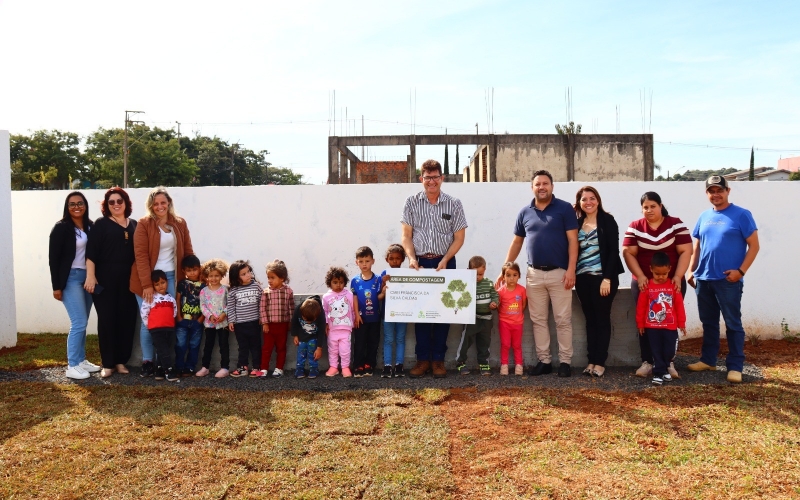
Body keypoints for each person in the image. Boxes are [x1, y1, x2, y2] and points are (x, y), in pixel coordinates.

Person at [500, 170, 578, 377]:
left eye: (545, 183)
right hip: (533, 275)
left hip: (560, 274)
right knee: (538, 320)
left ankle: (565, 362)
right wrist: (506, 267)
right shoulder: (525, 212)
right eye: (538, 184)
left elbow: (573, 241)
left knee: (563, 319)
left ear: (552, 186)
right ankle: (544, 361)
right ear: (532, 187)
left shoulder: (565, 209)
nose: (541, 187)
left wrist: (571, 270)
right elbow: (517, 241)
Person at [687, 176, 759, 384]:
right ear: (707, 193)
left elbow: (754, 246)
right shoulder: (704, 216)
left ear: (728, 191)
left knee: (733, 323)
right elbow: (697, 246)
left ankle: (735, 366)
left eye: (720, 190)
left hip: (728, 281)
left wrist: (741, 271)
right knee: (708, 322)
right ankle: (708, 360)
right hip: (704, 279)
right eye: (711, 191)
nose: (715, 194)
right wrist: (692, 271)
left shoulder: (742, 215)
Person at [401, 159, 468, 378]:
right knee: (420, 314)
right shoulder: (411, 203)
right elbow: (406, 236)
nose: (432, 181)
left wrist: (446, 259)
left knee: (443, 312)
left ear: (442, 178)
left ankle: (438, 360)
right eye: (427, 177)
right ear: (421, 179)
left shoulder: (454, 203)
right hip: (420, 264)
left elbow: (459, 238)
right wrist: (411, 259)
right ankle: (422, 360)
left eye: (435, 177)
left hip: (445, 263)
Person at [622, 191, 692, 379]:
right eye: (645, 207)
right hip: (644, 284)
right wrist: (640, 275)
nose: (649, 210)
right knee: (646, 322)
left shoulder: (675, 224)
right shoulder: (636, 226)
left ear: (661, 206)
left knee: (669, 321)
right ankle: (648, 361)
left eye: (653, 206)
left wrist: (678, 276)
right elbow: (628, 252)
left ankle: (668, 362)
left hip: (672, 284)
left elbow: (686, 250)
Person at [131, 187, 195, 377]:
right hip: (148, 279)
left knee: (168, 320)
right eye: (156, 203)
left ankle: (163, 363)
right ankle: (148, 361)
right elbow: (141, 256)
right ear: (151, 205)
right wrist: (147, 285)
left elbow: (188, 252)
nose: (160, 206)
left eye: (163, 202)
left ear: (169, 203)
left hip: (172, 277)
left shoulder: (179, 223)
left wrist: (192, 278)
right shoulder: (144, 224)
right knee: (148, 321)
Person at [85, 187, 138, 379]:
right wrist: (90, 276)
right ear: (106, 205)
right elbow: (91, 253)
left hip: (128, 282)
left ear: (126, 203)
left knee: (127, 319)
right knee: (107, 320)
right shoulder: (101, 224)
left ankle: (120, 361)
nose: (116, 204)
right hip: (104, 280)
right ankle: (107, 363)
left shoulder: (134, 225)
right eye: (111, 202)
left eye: (119, 201)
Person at [574, 186, 625, 378]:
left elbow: (613, 251)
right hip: (582, 279)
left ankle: (600, 362)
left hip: (603, 279)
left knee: (602, 319)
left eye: (592, 198)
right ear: (579, 202)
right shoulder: (577, 223)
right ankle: (591, 360)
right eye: (584, 199)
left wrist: (607, 278)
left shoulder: (607, 220)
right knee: (590, 320)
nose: (588, 202)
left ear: (598, 200)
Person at [49, 191, 99, 380]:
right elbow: (53, 259)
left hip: (89, 278)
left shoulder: (91, 226)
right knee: (78, 322)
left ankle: (81, 360)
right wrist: (56, 286)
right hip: (70, 278)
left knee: (83, 321)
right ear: (67, 207)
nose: (76, 207)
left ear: (85, 205)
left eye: (80, 203)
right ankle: (72, 365)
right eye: (72, 204)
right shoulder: (61, 228)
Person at [636, 252, 686, 386]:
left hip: (670, 327)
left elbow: (679, 306)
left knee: (669, 350)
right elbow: (641, 307)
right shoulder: (647, 287)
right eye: (657, 274)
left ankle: (664, 369)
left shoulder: (673, 286)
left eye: (664, 274)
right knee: (655, 350)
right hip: (652, 327)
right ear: (651, 269)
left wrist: (681, 323)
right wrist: (640, 323)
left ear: (670, 269)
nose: (661, 277)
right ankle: (658, 373)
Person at [455, 256, 498, 376]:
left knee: (484, 342)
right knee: (466, 340)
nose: (478, 277)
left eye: (480, 274)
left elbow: (495, 295)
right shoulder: (466, 284)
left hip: (487, 318)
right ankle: (461, 362)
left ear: (484, 271)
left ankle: (483, 363)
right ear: (469, 270)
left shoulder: (488, 283)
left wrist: (495, 303)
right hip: (471, 318)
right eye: (475, 274)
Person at [139, 270, 179, 382]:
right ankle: (169, 370)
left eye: (163, 282)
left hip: (169, 328)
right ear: (153, 286)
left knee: (166, 348)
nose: (160, 286)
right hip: (156, 329)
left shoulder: (171, 298)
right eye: (157, 284)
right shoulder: (150, 298)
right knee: (163, 349)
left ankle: (159, 370)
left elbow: (174, 311)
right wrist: (149, 326)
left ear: (167, 282)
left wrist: (170, 321)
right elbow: (144, 312)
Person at [227, 260, 264, 378]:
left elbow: (262, 303)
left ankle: (256, 367)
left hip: (254, 323)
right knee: (243, 347)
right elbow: (231, 307)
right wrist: (231, 321)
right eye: (243, 274)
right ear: (236, 277)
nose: (248, 275)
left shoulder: (256, 286)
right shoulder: (233, 291)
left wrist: (262, 317)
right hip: (240, 324)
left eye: (248, 272)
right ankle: (243, 367)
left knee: (256, 346)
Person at [351, 246, 382, 378]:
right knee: (359, 342)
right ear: (356, 262)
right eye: (361, 261)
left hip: (375, 318)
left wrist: (384, 292)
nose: (364, 264)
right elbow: (354, 298)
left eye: (367, 261)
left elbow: (379, 297)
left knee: (373, 342)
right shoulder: (355, 281)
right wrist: (357, 314)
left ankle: (370, 364)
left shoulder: (378, 279)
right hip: (361, 319)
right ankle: (358, 365)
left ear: (373, 261)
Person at [259, 260, 294, 378]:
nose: (269, 280)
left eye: (272, 277)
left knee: (281, 348)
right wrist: (265, 323)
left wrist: (290, 322)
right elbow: (262, 309)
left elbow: (291, 308)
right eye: (268, 277)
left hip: (282, 326)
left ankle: (279, 368)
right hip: (269, 326)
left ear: (282, 278)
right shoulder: (266, 292)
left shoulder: (288, 291)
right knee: (266, 348)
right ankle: (263, 368)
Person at [197, 259, 230, 378]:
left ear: (221, 275)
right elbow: (203, 305)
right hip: (209, 323)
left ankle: (225, 367)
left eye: (217, 275)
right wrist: (209, 316)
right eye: (211, 276)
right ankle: (205, 367)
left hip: (223, 323)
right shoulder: (203, 291)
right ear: (206, 276)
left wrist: (223, 314)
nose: (214, 278)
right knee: (208, 345)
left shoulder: (225, 289)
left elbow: (229, 304)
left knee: (223, 345)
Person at [378, 244, 407, 378]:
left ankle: (399, 365)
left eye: (397, 258)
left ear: (403, 259)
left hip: (403, 312)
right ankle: (387, 365)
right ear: (387, 260)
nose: (395, 261)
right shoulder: (383, 275)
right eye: (391, 259)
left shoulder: (407, 274)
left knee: (400, 339)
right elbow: (379, 296)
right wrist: (383, 285)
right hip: (387, 313)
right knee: (388, 339)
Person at [322, 266, 357, 378]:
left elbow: (352, 308)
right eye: (335, 282)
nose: (338, 285)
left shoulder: (349, 295)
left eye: (341, 282)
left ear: (345, 282)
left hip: (346, 329)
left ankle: (345, 367)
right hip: (332, 329)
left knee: (345, 350)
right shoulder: (326, 297)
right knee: (332, 349)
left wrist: (355, 319)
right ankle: (333, 367)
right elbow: (325, 311)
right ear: (329, 283)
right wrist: (326, 324)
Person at [174, 255, 205, 377]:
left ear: (200, 269)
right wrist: (179, 317)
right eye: (189, 270)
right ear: (184, 271)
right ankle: (179, 367)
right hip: (183, 321)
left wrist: (201, 319)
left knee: (194, 345)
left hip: (197, 321)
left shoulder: (203, 285)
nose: (192, 273)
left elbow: (206, 302)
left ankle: (190, 367)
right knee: (180, 344)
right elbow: (178, 299)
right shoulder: (182, 284)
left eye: (195, 269)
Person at [495, 262, 527, 376]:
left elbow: (523, 305)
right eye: (508, 275)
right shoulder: (500, 292)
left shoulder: (522, 290)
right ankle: (504, 365)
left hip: (518, 323)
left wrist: (517, 315)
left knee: (517, 345)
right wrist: (505, 316)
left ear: (519, 276)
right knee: (505, 344)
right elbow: (498, 307)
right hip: (505, 323)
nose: (511, 278)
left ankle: (519, 365)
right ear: (503, 277)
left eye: (515, 275)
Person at [291, 296, 326, 379]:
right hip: (301, 337)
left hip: (314, 337)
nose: (308, 322)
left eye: (311, 320)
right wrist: (295, 335)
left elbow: (321, 331)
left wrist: (319, 348)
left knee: (313, 354)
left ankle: (313, 369)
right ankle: (299, 369)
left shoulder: (321, 313)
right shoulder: (298, 309)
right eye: (305, 319)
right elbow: (294, 322)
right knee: (301, 354)